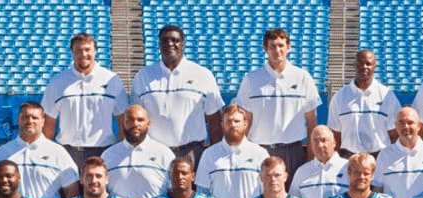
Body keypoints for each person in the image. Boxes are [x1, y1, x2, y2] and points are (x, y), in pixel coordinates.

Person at [233, 28, 320, 178]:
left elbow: (312, 122)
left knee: (293, 193)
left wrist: (310, 156)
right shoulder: (251, 79)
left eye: (281, 45)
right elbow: (244, 121)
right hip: (259, 151)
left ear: (289, 47)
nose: (277, 50)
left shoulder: (302, 77)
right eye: (272, 46)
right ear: (265, 49)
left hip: (294, 152)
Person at [131, 23, 224, 161]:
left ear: (182, 44)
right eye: (164, 40)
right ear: (159, 44)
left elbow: (215, 119)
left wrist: (215, 156)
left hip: (192, 152)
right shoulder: (143, 76)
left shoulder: (202, 75)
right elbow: (134, 119)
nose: (170, 44)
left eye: (175, 40)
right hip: (154, 154)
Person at [41, 32, 127, 164]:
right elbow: (48, 123)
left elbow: (123, 120)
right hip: (67, 152)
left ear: (95, 51)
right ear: (72, 52)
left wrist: (124, 151)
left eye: (87, 49)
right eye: (78, 50)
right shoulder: (57, 82)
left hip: (103, 151)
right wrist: (45, 154)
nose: (83, 54)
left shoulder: (112, 80)